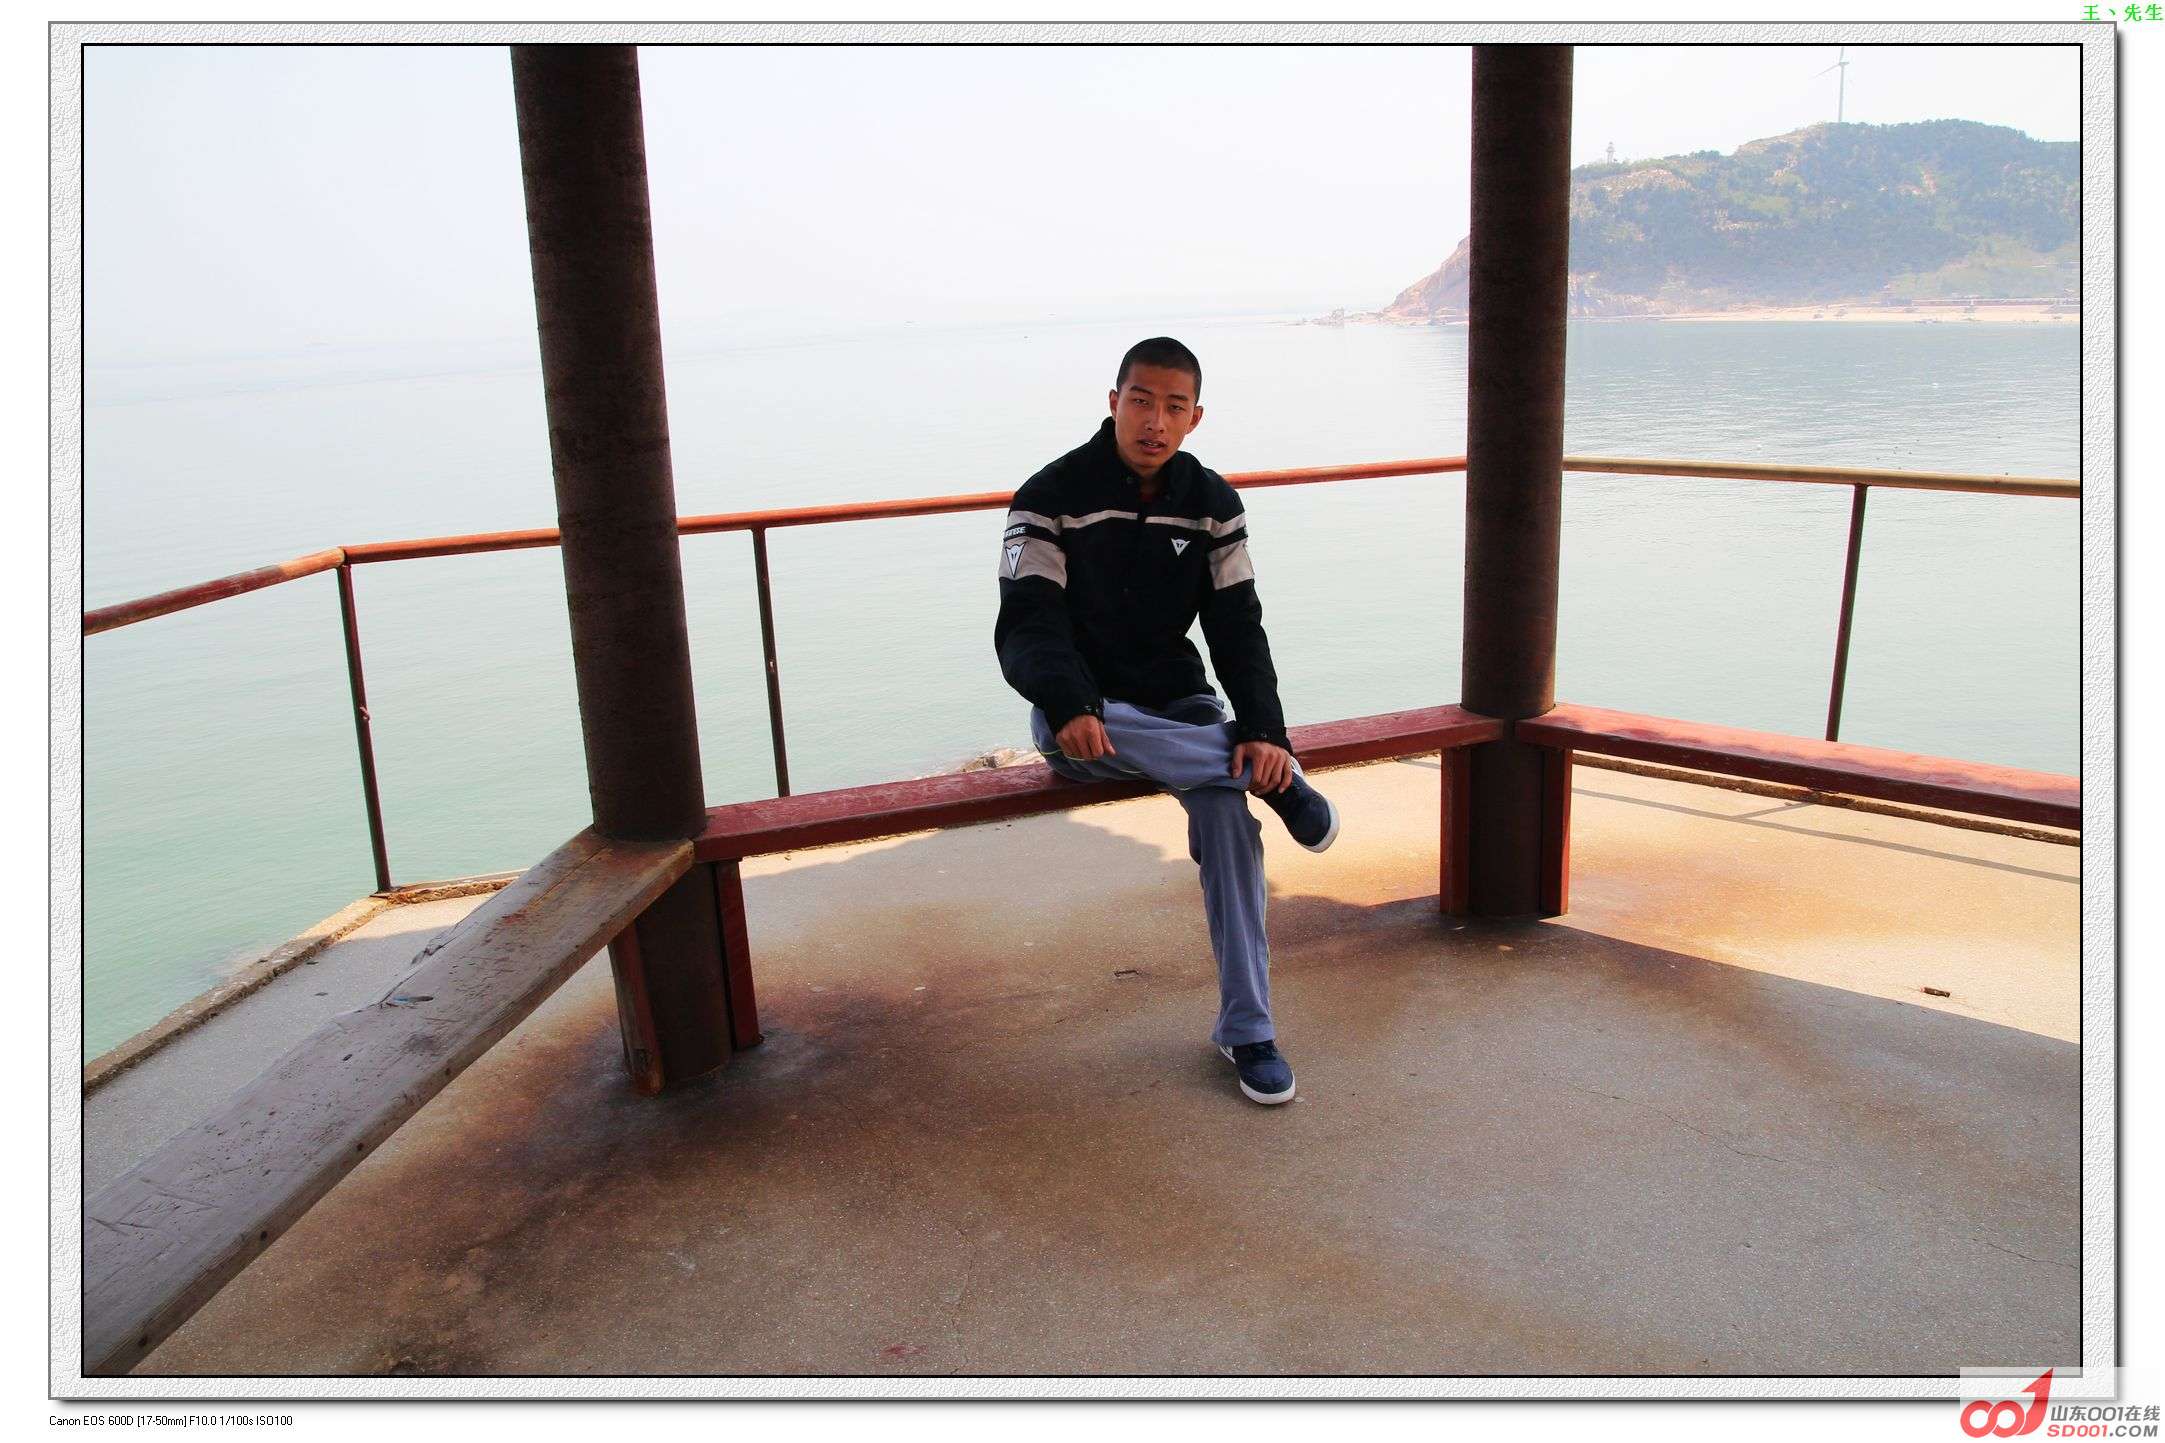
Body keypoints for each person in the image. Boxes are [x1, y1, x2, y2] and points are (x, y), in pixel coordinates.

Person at [993, 336, 1340, 1106]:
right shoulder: (1048, 494)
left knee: (1226, 822)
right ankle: (1277, 784)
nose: (1154, 420)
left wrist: (1264, 730)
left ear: (1194, 418)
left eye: (1173, 407)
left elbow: (1237, 627)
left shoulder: (1212, 503)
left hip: (1180, 708)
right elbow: (1027, 621)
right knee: (1212, 767)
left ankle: (1247, 1027)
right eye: (1141, 401)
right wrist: (1069, 701)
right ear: (1113, 402)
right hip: (1086, 717)